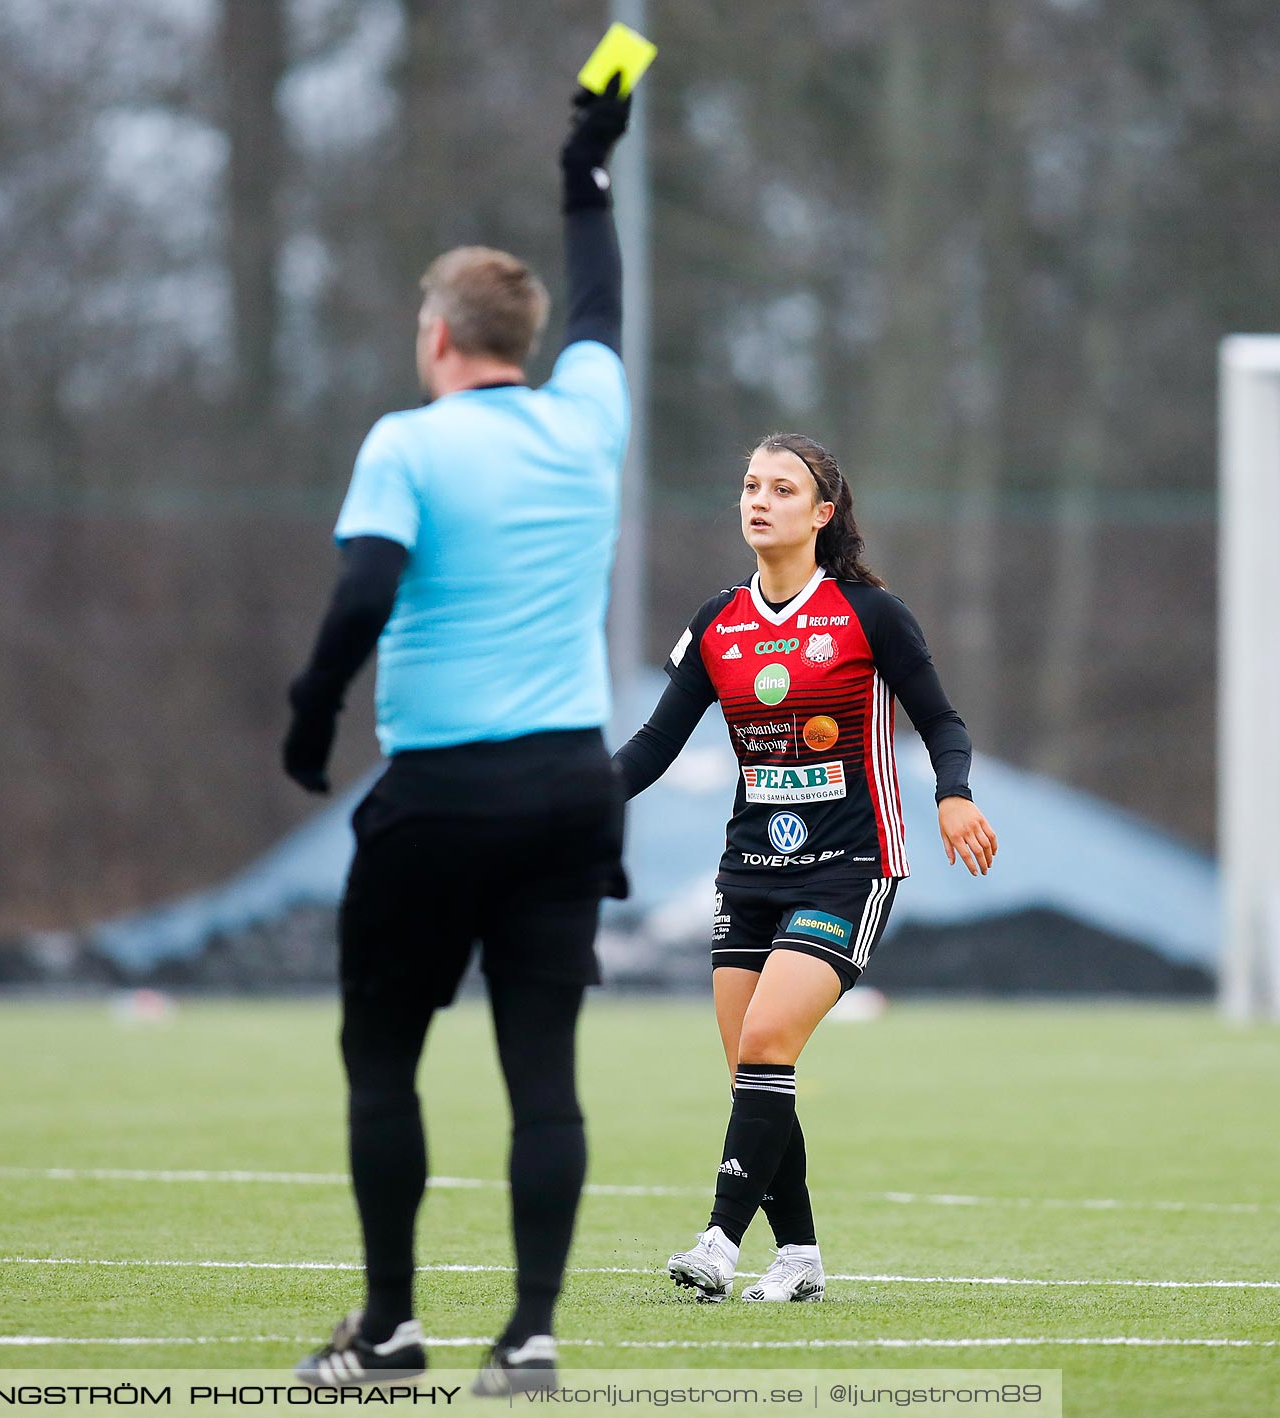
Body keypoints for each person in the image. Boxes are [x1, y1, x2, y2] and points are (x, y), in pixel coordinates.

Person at [280, 78, 636, 1395]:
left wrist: (310, 712)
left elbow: (365, 590)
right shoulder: (587, 420)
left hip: (440, 796)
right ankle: (531, 1335)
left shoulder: (409, 442)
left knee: (385, 1058)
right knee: (542, 1073)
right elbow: (603, 304)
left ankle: (389, 1330)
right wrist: (585, 170)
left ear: (438, 335)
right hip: (569, 789)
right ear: (521, 339)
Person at [612, 432, 998, 1305]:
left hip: (849, 867)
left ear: (823, 514)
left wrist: (954, 793)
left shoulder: (870, 615)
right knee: (756, 1070)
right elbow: (652, 747)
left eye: (782, 488)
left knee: (764, 1043)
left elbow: (942, 720)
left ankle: (718, 1240)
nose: (759, 500)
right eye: (750, 484)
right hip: (750, 871)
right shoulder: (717, 622)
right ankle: (801, 1258)